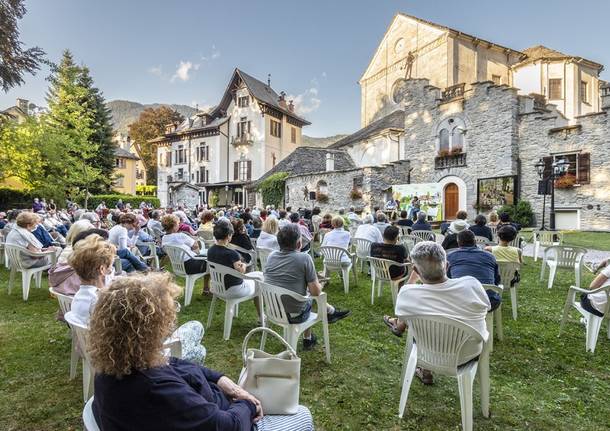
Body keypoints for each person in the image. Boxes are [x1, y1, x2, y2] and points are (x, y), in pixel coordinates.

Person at [89, 273, 313, 431]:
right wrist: (247, 404)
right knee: (302, 414)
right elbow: (228, 426)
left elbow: (173, 362)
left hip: (219, 404)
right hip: (235, 419)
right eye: (169, 313)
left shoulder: (117, 364)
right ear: (149, 328)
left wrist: (221, 379)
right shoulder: (158, 390)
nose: (172, 320)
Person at [391, 241, 491, 385]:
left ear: (416, 271)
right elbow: (487, 307)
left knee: (415, 331)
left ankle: (424, 369)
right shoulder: (472, 285)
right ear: (447, 265)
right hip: (467, 355)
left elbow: (403, 316)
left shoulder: (407, 294)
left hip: (427, 354)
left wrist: (412, 280)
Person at [264, 224, 351, 350]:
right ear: (299, 243)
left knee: (305, 295)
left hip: (273, 309)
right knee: (308, 298)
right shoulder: (304, 258)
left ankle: (330, 313)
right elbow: (315, 292)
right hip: (295, 314)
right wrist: (320, 283)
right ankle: (309, 337)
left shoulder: (271, 256)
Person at [206, 221, 263, 320]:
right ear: (228, 236)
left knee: (257, 275)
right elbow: (241, 271)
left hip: (217, 287)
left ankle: (260, 316)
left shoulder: (210, 250)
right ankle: (261, 317)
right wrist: (244, 265)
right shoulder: (232, 254)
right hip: (233, 289)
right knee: (258, 281)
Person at [64, 234, 116, 326]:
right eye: (111, 266)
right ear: (102, 269)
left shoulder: (79, 297)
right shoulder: (99, 301)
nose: (111, 270)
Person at [446, 230, 502, 311]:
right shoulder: (490, 256)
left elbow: (448, 279)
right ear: (475, 241)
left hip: (458, 301)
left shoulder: (450, 256)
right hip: (488, 301)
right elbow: (497, 280)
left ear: (458, 242)